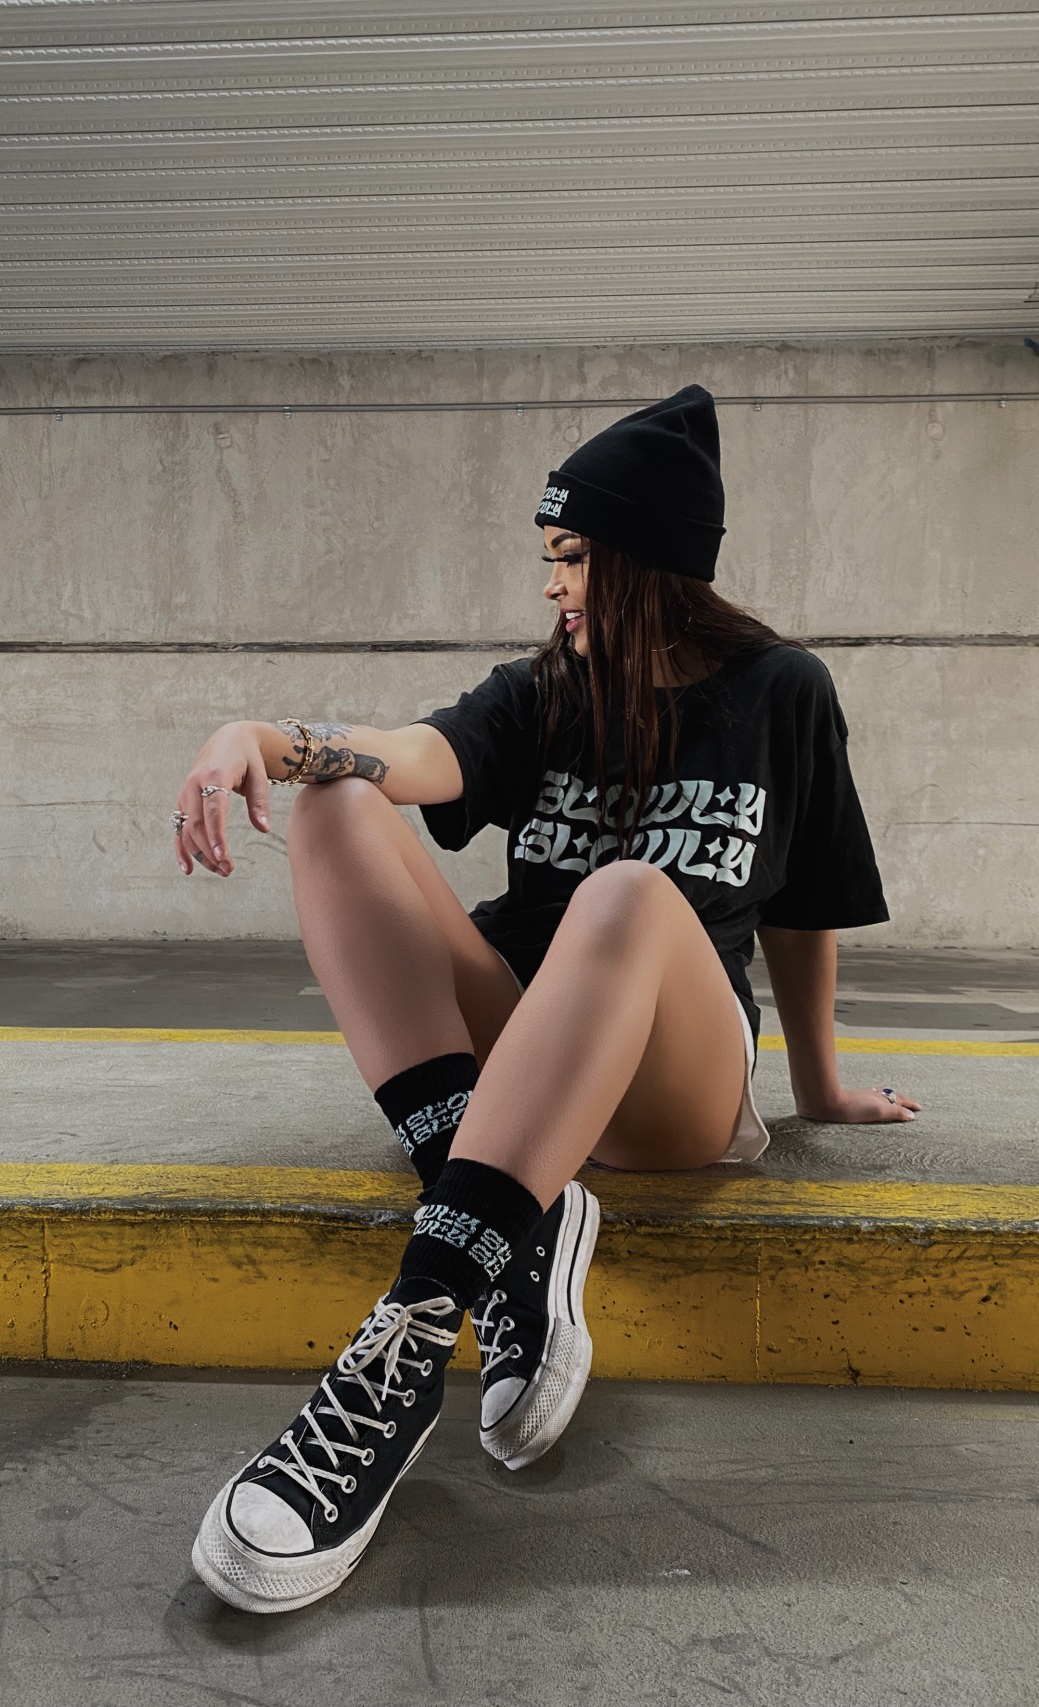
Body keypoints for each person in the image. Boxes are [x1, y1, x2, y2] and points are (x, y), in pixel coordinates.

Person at [172, 383, 921, 1615]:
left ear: (645, 563)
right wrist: (258, 734)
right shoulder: (542, 690)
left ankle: (408, 1340)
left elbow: (805, 901)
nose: (550, 584)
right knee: (338, 802)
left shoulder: (781, 690)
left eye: (569, 557)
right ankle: (519, 1231)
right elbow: (410, 756)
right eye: (546, 559)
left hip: (670, 1079)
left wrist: (819, 1087)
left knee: (621, 896)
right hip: (524, 1041)